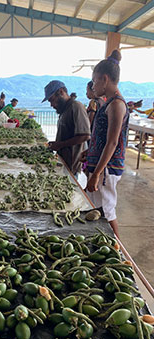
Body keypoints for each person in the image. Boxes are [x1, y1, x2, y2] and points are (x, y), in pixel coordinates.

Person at [84, 50, 129, 237]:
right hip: (99, 165)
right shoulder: (108, 102)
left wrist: (96, 173)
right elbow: (100, 137)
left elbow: (112, 142)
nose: (93, 86)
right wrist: (89, 153)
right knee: (97, 208)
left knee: (108, 211)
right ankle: (103, 243)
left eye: (94, 81)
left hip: (107, 168)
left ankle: (117, 251)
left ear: (104, 79)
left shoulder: (117, 104)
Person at [42, 80, 90, 176]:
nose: (51, 105)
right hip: (64, 162)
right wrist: (57, 144)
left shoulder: (76, 107)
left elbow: (85, 135)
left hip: (72, 165)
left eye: (52, 100)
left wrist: (60, 144)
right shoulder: (65, 109)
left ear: (61, 92)